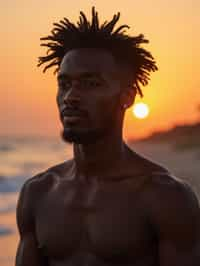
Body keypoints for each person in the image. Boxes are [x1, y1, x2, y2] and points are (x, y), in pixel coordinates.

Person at [15, 7, 200, 266]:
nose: (70, 97)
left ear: (128, 96)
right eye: (64, 84)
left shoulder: (165, 197)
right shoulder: (38, 193)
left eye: (91, 83)